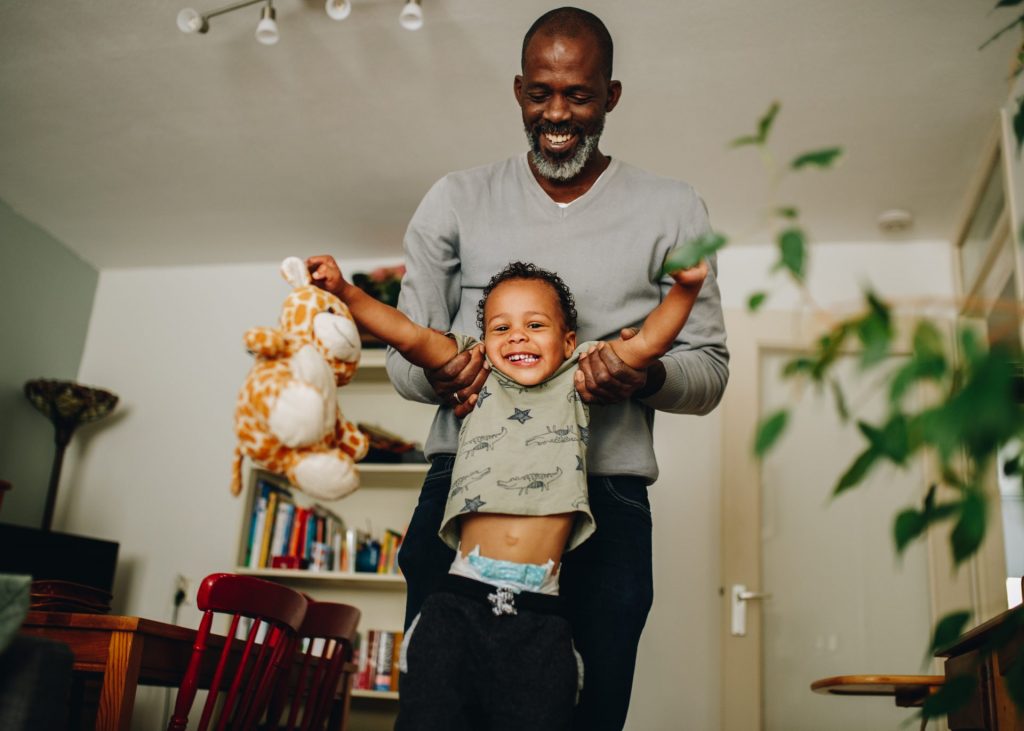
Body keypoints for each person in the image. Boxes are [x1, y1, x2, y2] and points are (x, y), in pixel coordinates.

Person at [383, 7, 729, 729]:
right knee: (437, 712)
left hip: (605, 505)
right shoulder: (455, 199)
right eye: (541, 93)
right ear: (518, 90)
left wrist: (645, 378)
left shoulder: (673, 209)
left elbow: (710, 370)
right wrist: (445, 376)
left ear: (611, 94)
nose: (558, 114)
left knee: (585, 715)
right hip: (465, 498)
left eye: (578, 94)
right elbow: (404, 361)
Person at [306, 256, 708, 729]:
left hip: (541, 606)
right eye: (501, 327)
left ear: (569, 341)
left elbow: (647, 344)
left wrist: (684, 289)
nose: (516, 335)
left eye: (535, 324)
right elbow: (407, 335)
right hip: (459, 595)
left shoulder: (580, 376)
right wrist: (345, 292)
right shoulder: (476, 370)